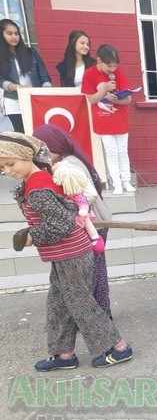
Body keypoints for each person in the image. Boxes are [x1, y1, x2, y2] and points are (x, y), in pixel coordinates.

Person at [0, 132, 131, 370]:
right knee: (59, 302)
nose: (8, 171)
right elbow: (69, 208)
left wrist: (31, 236)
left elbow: (62, 224)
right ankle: (64, 355)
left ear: (26, 156)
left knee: (80, 303)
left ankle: (118, 348)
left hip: (71, 253)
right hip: (68, 253)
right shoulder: (41, 176)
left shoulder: (38, 187)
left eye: (11, 163)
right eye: (2, 167)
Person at [33, 123, 114, 319]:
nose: (41, 155)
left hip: (94, 223)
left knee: (93, 272)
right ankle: (100, 315)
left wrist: (68, 207)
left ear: (56, 145)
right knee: (93, 271)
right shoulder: (63, 161)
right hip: (91, 222)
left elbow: (90, 195)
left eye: (45, 150)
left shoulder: (70, 164)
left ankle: (98, 316)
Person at [81, 44, 135, 195]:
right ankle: (116, 183)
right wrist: (104, 89)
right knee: (111, 152)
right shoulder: (89, 74)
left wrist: (116, 99)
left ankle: (126, 181)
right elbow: (91, 100)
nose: (112, 70)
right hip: (103, 119)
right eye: (109, 66)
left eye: (115, 66)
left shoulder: (119, 73)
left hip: (120, 118)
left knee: (122, 151)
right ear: (99, 60)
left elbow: (128, 99)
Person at [0, 19, 52, 133]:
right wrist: (17, 87)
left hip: (35, 98)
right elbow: (1, 80)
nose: (14, 36)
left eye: (16, 33)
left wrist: (45, 92)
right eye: (9, 33)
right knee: (21, 134)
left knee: (39, 131)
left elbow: (44, 75)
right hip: (13, 100)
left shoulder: (30, 52)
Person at [52, 159, 106, 253]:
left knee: (86, 221)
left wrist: (82, 209)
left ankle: (95, 238)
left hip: (79, 215)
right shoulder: (59, 189)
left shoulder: (75, 192)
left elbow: (88, 197)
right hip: (71, 218)